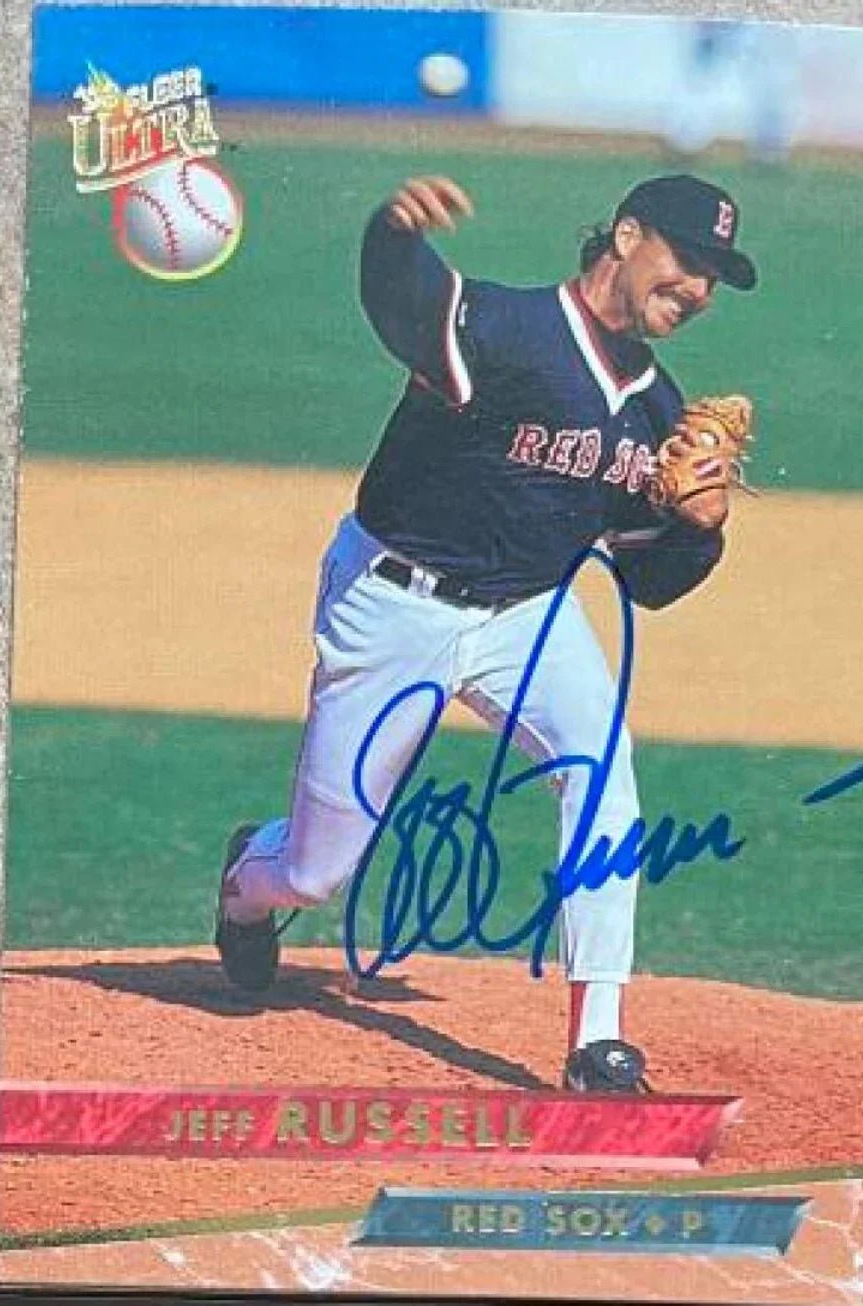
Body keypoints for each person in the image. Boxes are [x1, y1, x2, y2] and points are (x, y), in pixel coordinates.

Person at [215, 172, 758, 1092]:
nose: (700, 288)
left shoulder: (657, 412)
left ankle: (599, 1041)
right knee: (314, 873)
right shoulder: (505, 327)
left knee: (603, 772)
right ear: (627, 236)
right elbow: (404, 305)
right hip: (395, 602)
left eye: (716, 276)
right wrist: (391, 234)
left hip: (529, 614)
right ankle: (246, 882)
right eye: (689, 259)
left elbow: (648, 583)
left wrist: (701, 531)